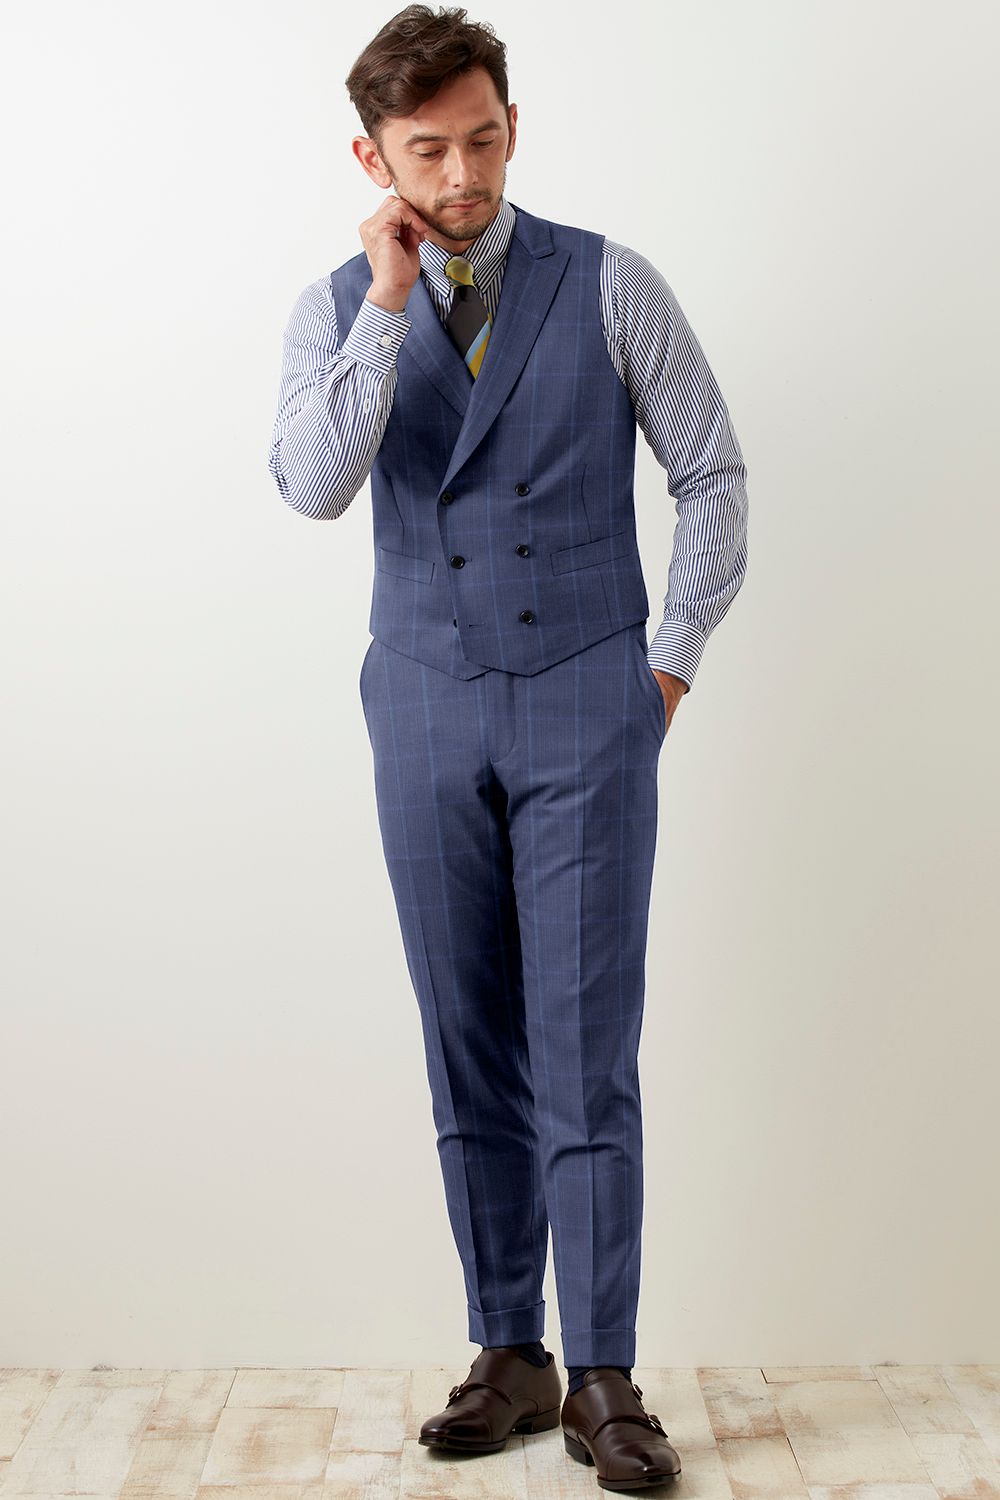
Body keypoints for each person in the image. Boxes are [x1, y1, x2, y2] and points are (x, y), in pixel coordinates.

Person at [268, 5, 748, 1489]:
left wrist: (668, 665)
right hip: (421, 702)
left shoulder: (612, 282)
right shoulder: (337, 306)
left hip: (589, 698)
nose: (465, 174)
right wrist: (387, 302)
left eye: (484, 139)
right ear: (373, 157)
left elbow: (711, 469)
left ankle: (603, 1371)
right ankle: (508, 1351)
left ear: (513, 126)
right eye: (429, 151)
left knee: (584, 1045)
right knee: (464, 1036)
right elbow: (312, 484)